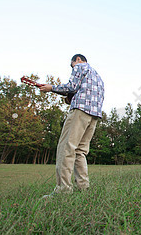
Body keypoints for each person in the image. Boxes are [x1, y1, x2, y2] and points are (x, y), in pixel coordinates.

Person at [40, 54, 104, 197]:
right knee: (80, 151)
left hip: (80, 112)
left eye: (71, 65)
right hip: (94, 115)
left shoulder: (80, 66)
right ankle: (84, 188)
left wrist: (51, 88)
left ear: (78, 60)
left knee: (66, 148)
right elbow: (83, 92)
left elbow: (71, 86)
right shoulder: (97, 76)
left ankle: (63, 190)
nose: (72, 67)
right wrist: (70, 97)